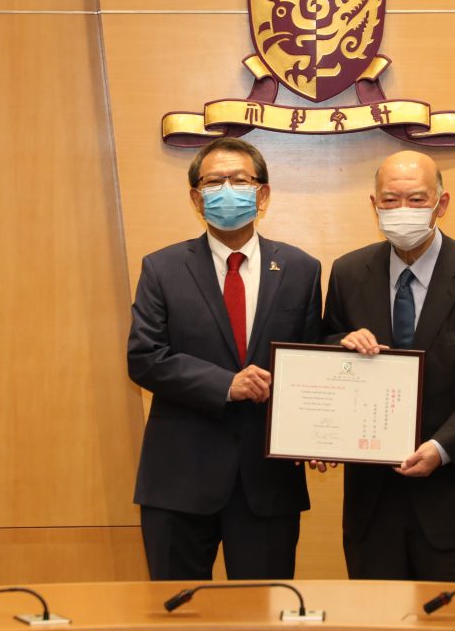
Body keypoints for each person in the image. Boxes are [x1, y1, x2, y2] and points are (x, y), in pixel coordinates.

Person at [323, 150, 455, 582]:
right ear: (374, 206)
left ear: (441, 203)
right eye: (390, 201)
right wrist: (341, 345)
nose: (402, 211)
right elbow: (324, 351)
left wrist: (441, 448)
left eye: (416, 200)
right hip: (372, 504)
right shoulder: (348, 272)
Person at [127, 137, 322, 580]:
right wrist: (224, 384)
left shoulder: (301, 269)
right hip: (178, 479)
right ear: (197, 198)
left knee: (262, 617)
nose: (227, 189)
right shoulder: (162, 268)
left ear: (264, 193)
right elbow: (144, 357)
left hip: (267, 485)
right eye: (214, 182)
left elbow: (309, 361)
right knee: (174, 616)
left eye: (240, 180)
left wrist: (317, 435)